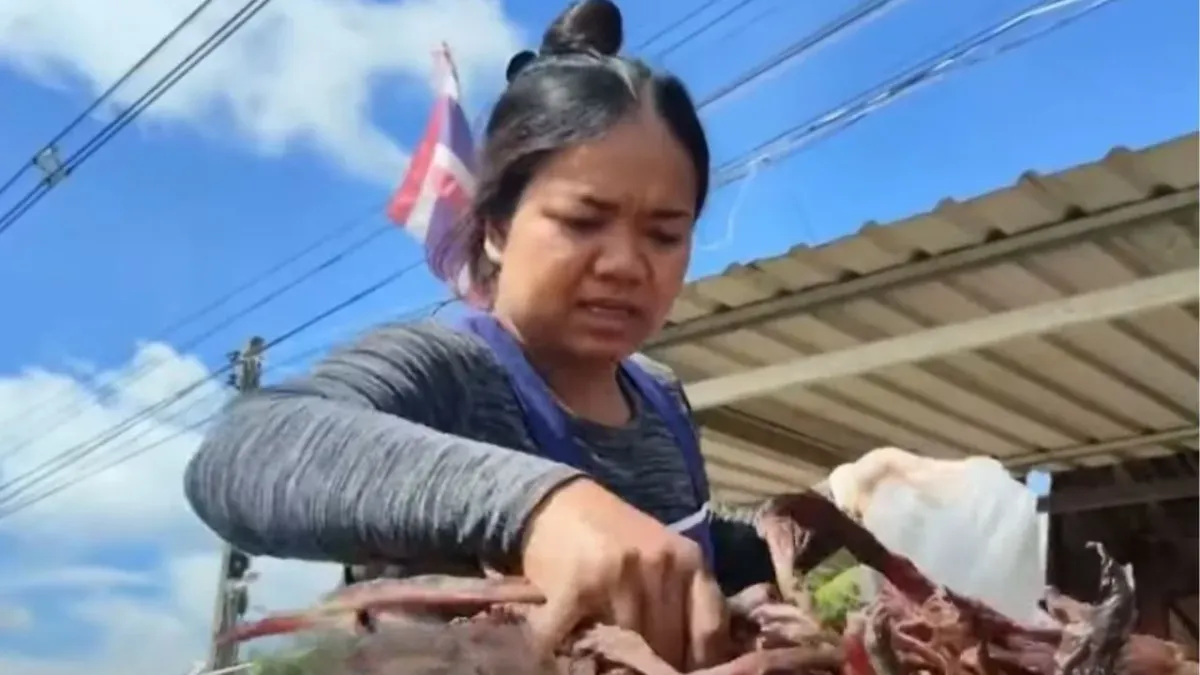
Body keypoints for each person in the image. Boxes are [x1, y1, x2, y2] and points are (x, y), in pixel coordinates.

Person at [183, 0, 774, 669]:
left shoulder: (662, 397)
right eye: (583, 221)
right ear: (495, 228)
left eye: (665, 234)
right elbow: (244, 448)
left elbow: (675, 544)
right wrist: (540, 505)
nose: (626, 263)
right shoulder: (449, 371)